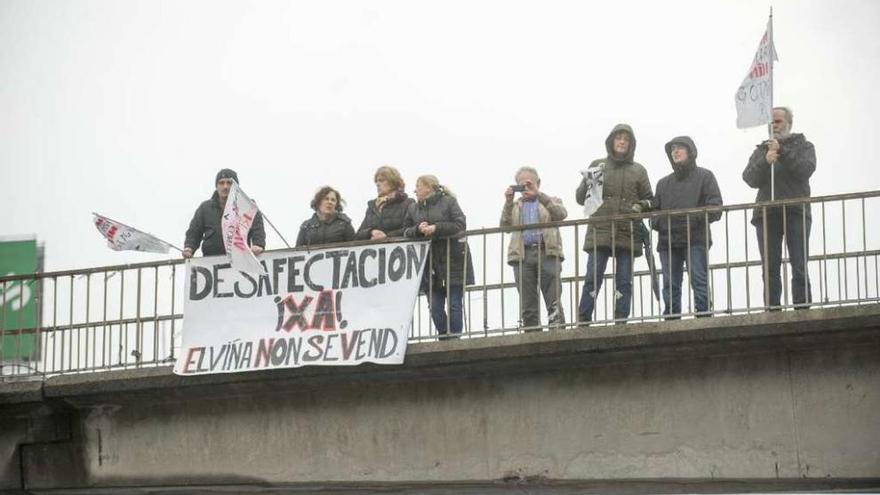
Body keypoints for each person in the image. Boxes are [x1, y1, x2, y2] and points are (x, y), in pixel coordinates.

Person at [575, 124, 653, 323]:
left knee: (624, 281)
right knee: (593, 277)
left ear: (631, 145)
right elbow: (579, 198)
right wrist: (586, 181)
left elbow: (651, 201)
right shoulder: (598, 164)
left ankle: (621, 321)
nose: (622, 142)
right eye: (618, 138)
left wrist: (640, 206)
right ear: (612, 141)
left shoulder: (639, 170)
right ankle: (583, 319)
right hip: (599, 230)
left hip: (628, 231)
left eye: (626, 140)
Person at [742, 107, 816, 309]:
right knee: (769, 267)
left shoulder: (804, 146)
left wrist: (782, 152)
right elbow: (749, 178)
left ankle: (802, 307)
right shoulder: (761, 150)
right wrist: (766, 161)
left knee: (799, 264)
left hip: (796, 211)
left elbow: (805, 169)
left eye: (778, 121)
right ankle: (772, 308)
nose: (774, 125)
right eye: (771, 122)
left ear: (788, 124)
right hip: (766, 213)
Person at [652, 136, 723, 319]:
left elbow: (716, 207)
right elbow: (654, 215)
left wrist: (694, 218)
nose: (675, 151)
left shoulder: (705, 176)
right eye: (672, 149)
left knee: (698, 279)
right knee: (669, 283)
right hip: (668, 241)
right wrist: (663, 222)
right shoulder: (663, 183)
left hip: (695, 238)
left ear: (690, 151)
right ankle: (671, 318)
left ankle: (704, 315)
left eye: (679, 148)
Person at [405, 175, 474, 339]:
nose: (415, 190)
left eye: (418, 186)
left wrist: (436, 228)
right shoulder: (413, 208)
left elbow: (460, 224)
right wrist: (417, 229)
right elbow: (405, 231)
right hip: (430, 263)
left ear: (429, 187)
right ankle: (444, 334)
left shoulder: (449, 202)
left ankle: (454, 337)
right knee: (434, 307)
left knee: (454, 304)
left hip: (453, 259)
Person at [500, 166, 568, 330]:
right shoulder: (515, 205)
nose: (525, 187)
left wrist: (539, 195)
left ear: (538, 183)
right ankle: (532, 334)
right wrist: (508, 202)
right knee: (527, 302)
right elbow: (505, 227)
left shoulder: (550, 200)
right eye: (521, 184)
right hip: (522, 255)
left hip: (547, 252)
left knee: (553, 298)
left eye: (529, 183)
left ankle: (558, 334)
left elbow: (561, 214)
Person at [183, 168, 265, 258]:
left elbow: (258, 229)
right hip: (211, 263)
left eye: (229, 183)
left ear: (236, 186)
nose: (225, 187)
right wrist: (189, 248)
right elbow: (194, 231)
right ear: (216, 186)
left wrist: (258, 244)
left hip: (241, 260)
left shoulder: (247, 206)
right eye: (221, 183)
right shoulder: (205, 208)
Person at [355, 166, 415, 241]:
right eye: (376, 181)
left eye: (382, 180)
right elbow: (358, 234)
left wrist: (386, 236)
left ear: (393, 182)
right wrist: (370, 232)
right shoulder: (372, 207)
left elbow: (410, 229)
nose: (377, 184)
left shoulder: (408, 203)